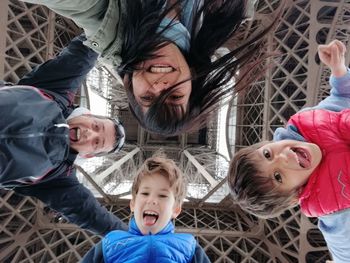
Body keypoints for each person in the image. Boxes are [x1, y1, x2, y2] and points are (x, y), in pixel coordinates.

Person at [21, 0, 279, 136]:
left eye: (147, 97)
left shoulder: (100, 14)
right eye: (175, 96)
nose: (159, 86)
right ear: (194, 81)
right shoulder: (229, 15)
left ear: (128, 83)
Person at [228, 39, 350, 262]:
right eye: (278, 176)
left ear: (266, 143)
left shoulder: (310, 121)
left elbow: (342, 98)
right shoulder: (336, 213)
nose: (284, 157)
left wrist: (339, 72)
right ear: (294, 197)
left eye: (268, 154)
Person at [1, 35, 127, 235]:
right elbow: (85, 52)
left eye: (96, 143)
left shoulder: (58, 179)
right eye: (96, 125)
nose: (89, 133)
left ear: (88, 155)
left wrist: (136, 242)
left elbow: (90, 215)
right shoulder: (56, 90)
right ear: (87, 114)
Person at [82, 156, 211, 262]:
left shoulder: (189, 246)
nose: (152, 200)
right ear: (132, 204)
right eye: (145, 193)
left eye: (162, 195)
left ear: (176, 210)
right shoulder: (110, 243)